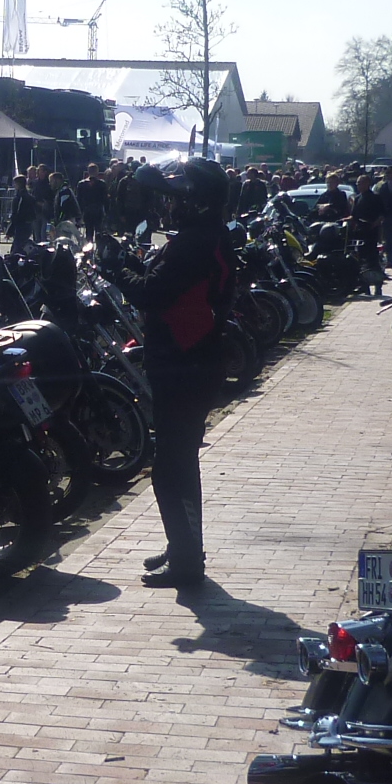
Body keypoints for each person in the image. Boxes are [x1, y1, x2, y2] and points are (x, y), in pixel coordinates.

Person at [108, 156, 235, 588]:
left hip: (184, 364)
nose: (169, 205)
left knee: (171, 467)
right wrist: (131, 261)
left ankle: (186, 559)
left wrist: (115, 268)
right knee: (178, 462)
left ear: (196, 202)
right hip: (197, 360)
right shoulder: (208, 236)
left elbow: (151, 293)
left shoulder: (193, 244)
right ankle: (183, 544)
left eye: (176, 198)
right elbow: (166, 281)